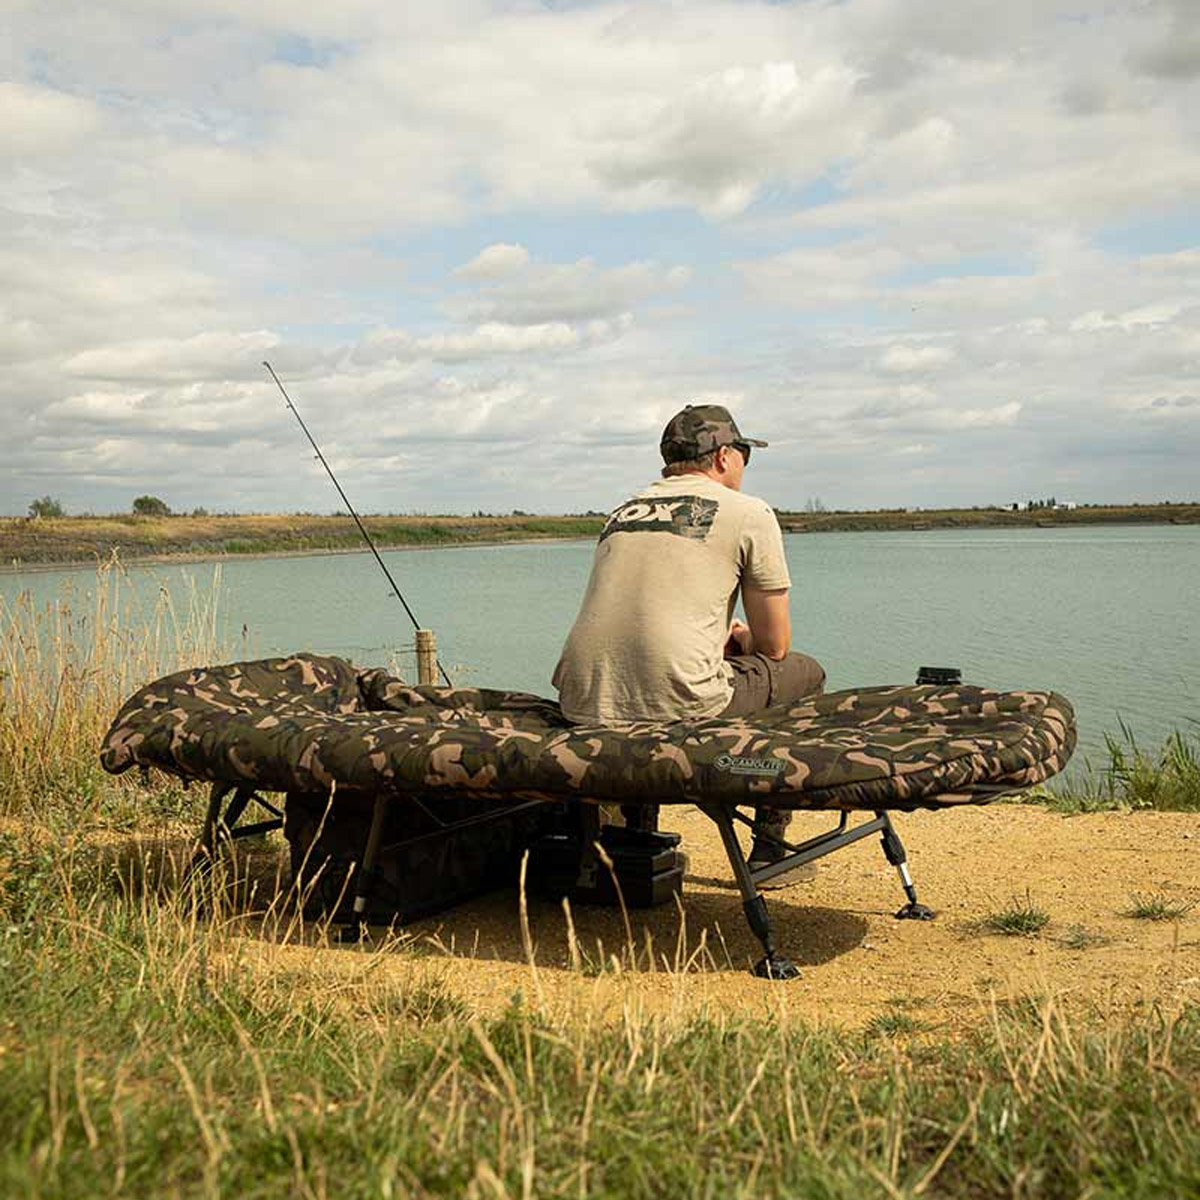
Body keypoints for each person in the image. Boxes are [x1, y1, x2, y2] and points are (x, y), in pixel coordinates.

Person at [553, 403, 826, 876]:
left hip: (581, 701)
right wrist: (741, 640)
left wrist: (717, 636)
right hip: (681, 700)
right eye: (744, 453)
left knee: (655, 687)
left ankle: (637, 835)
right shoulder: (748, 512)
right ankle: (771, 849)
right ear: (722, 457)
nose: (743, 464)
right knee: (802, 672)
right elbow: (775, 645)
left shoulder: (623, 511)